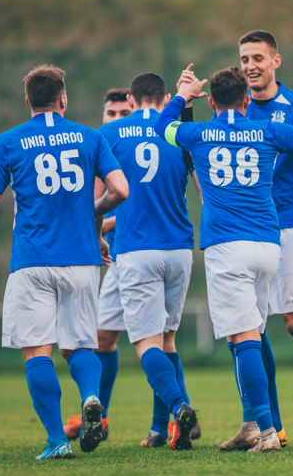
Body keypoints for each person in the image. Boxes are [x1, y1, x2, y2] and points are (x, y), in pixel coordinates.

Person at [154, 56, 293, 452]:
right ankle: (257, 426)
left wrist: (181, 97)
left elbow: (162, 127)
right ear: (246, 101)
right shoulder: (269, 131)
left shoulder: (196, 134)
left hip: (227, 247)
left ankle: (267, 432)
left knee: (244, 337)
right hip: (269, 246)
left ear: (212, 103)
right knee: (253, 335)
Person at [0, 65, 129, 460]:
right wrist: (91, 213)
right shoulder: (90, 137)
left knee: (36, 350)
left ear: (27, 101)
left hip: (32, 261)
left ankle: (56, 440)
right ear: (64, 98)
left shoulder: (8, 141)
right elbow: (120, 190)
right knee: (80, 345)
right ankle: (92, 398)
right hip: (80, 260)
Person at [97, 73, 202, 451]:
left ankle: (179, 407)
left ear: (131, 97)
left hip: (136, 249)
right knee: (168, 339)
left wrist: (96, 234)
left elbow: (98, 197)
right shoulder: (179, 132)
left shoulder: (109, 134)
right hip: (179, 248)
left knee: (145, 343)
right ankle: (161, 430)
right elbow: (204, 190)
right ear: (166, 98)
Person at [63, 88, 131, 442]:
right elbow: (93, 204)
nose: (117, 119)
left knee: (160, 341)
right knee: (103, 338)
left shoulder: (135, 147)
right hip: (115, 256)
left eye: (124, 112)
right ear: (102, 116)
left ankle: (168, 418)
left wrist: (101, 225)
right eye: (111, 113)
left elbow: (144, 205)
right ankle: (98, 416)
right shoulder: (95, 149)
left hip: (141, 252)